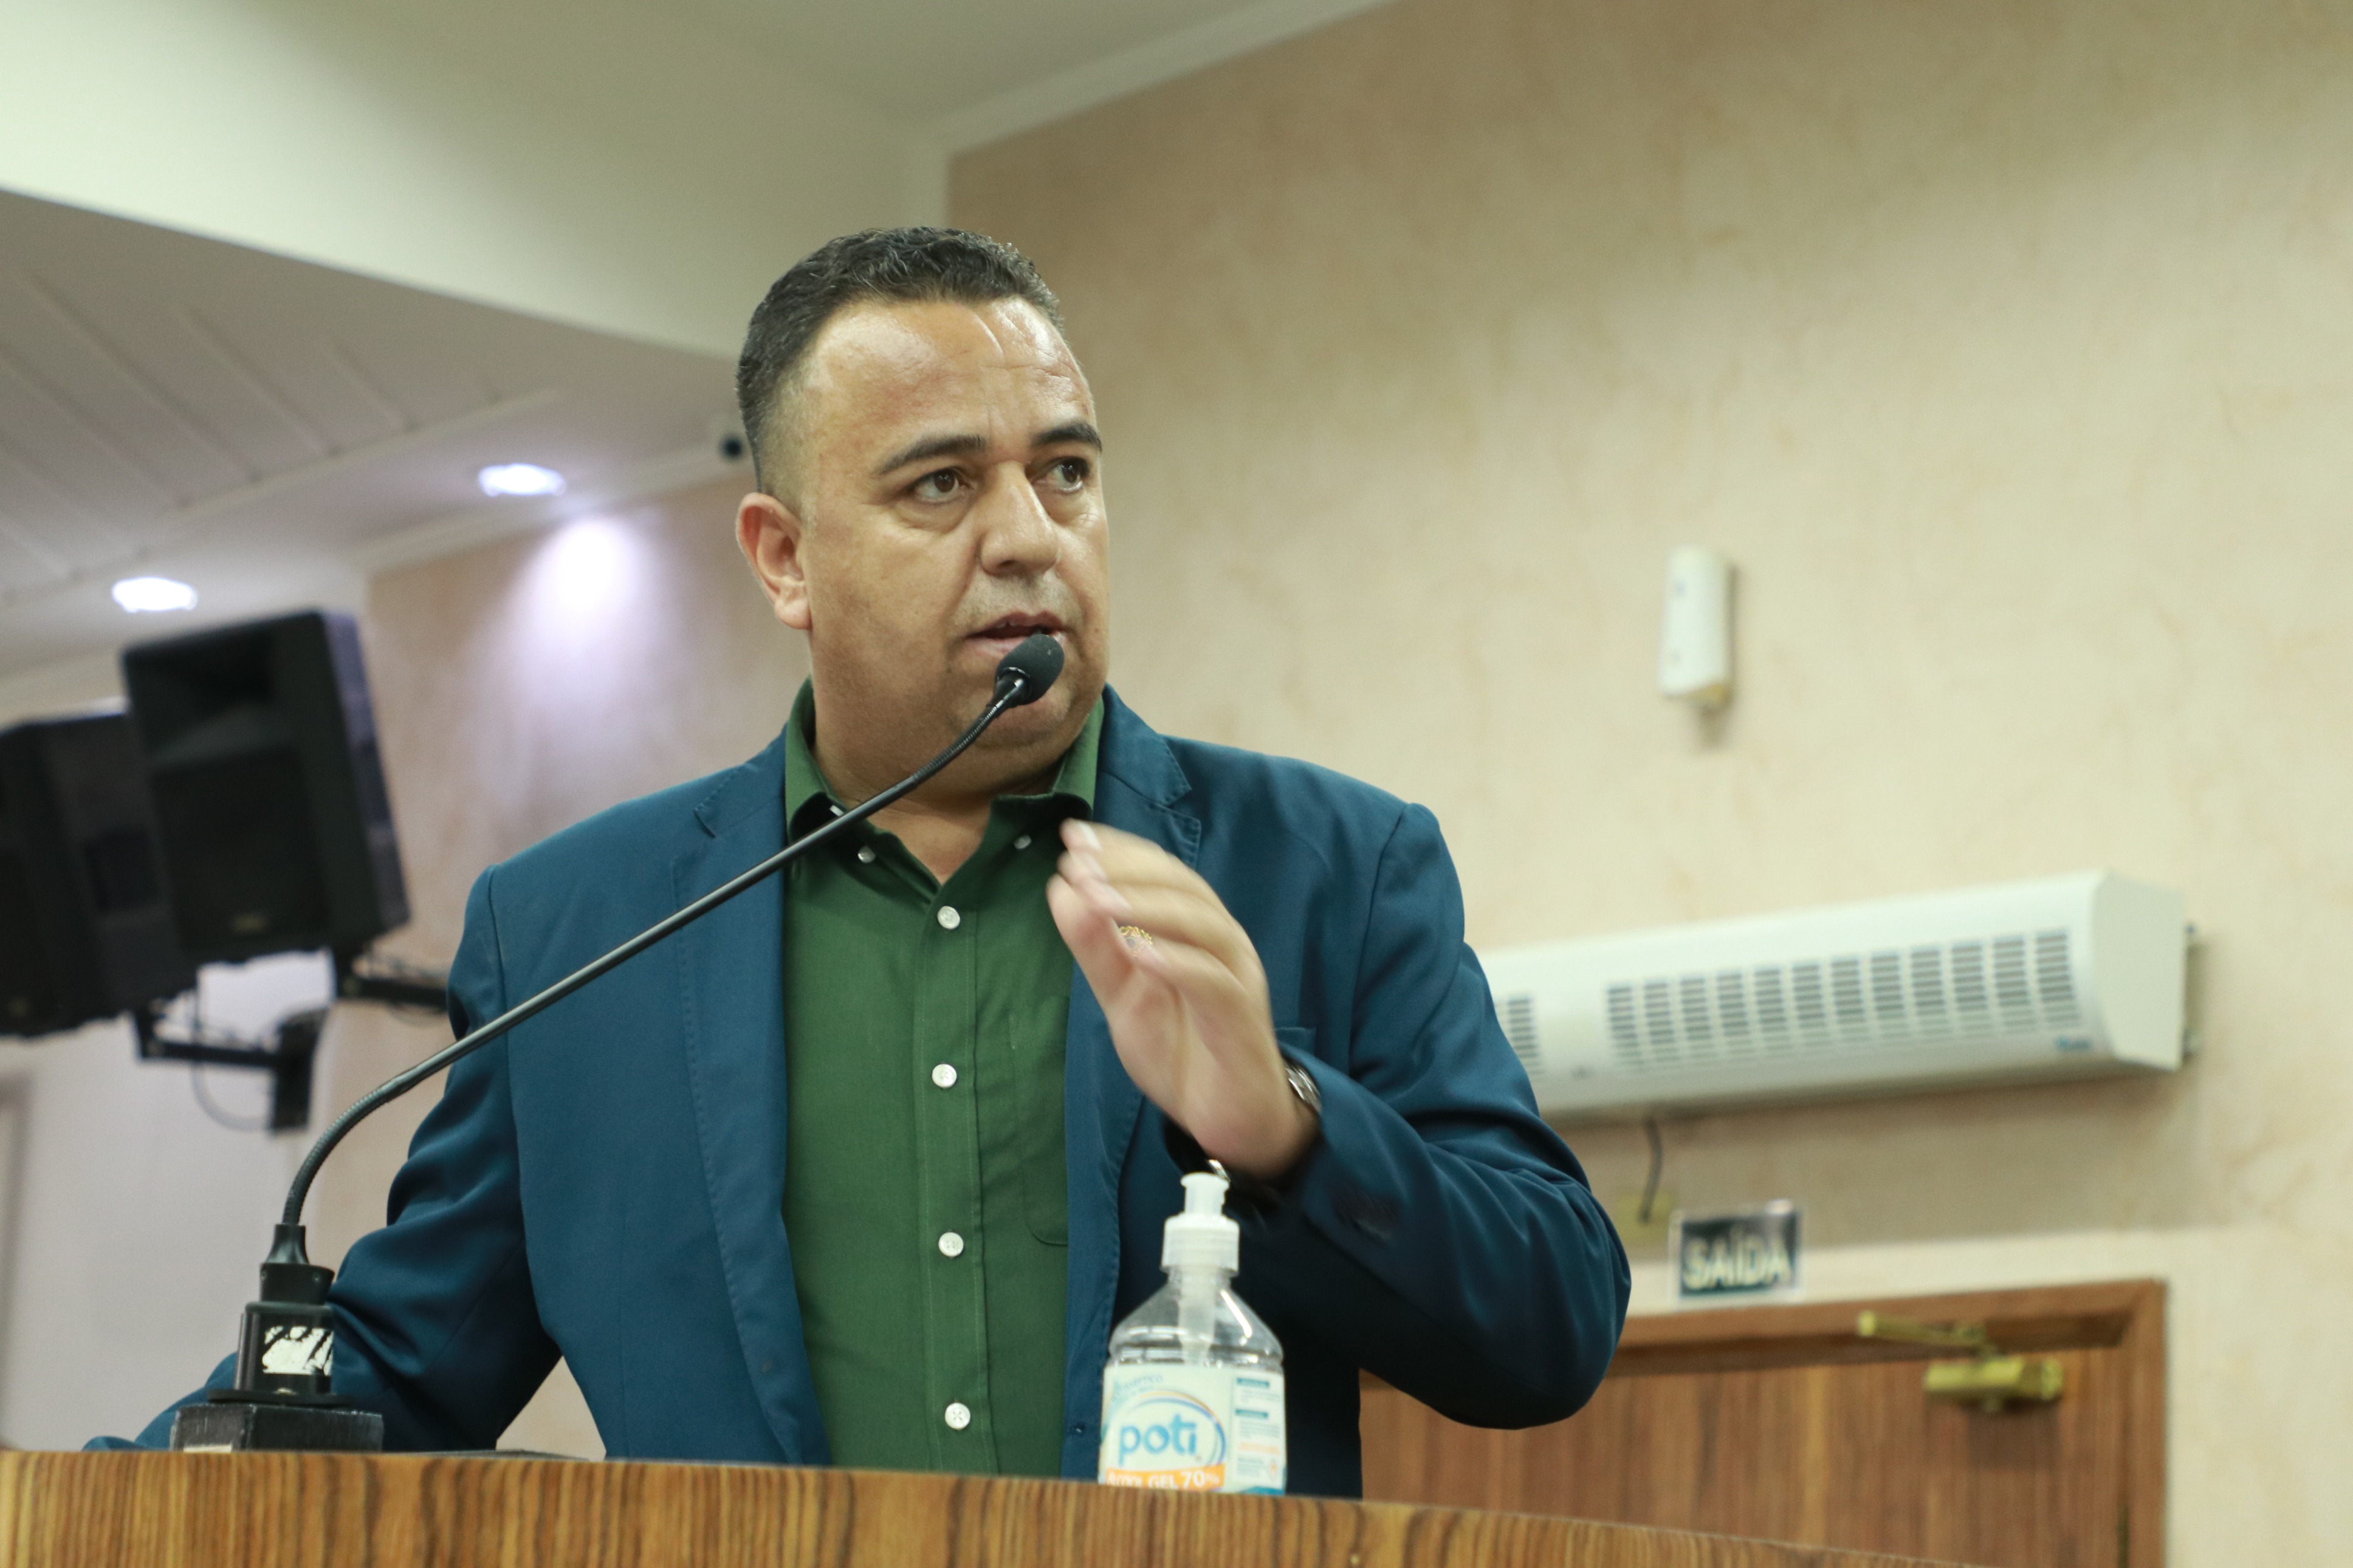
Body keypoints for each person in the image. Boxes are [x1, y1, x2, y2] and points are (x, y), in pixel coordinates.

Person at [106, 228, 1629, 1496]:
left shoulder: (1332, 869)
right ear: (785, 557)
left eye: (1067, 472)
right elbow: (405, 1367)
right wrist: (75, 1496)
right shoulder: (578, 932)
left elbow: (1551, 1328)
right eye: (941, 485)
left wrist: (1287, 1127)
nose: (1030, 536)